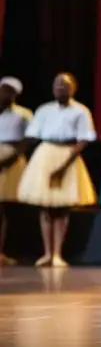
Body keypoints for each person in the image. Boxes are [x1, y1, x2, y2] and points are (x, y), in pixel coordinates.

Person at [17, 73, 97, 267]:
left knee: (62, 208)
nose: (61, 88)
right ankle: (46, 252)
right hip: (45, 153)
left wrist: (64, 164)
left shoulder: (81, 111)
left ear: (73, 89)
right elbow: (33, 135)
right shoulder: (44, 110)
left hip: (67, 154)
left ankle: (58, 254)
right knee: (45, 206)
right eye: (58, 85)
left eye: (65, 85)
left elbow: (84, 139)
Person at [0, 77, 32, 264]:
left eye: (10, 91)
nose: (6, 94)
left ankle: (3, 251)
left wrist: (11, 158)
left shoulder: (23, 114)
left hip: (11, 159)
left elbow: (28, 140)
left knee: (5, 208)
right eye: (4, 89)